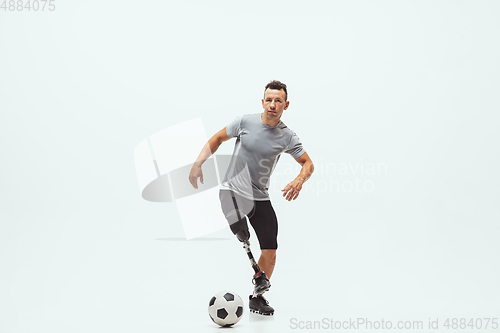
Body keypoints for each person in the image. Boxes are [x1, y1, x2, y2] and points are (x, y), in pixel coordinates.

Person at [189, 80, 314, 315]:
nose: (272, 105)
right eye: (269, 99)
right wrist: (198, 164)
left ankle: (258, 297)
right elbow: (216, 139)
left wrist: (299, 180)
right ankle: (256, 270)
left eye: (278, 100)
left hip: (260, 196)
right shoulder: (245, 122)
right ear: (263, 101)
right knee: (242, 231)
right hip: (232, 189)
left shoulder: (287, 136)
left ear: (286, 105)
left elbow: (308, 163)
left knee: (271, 250)